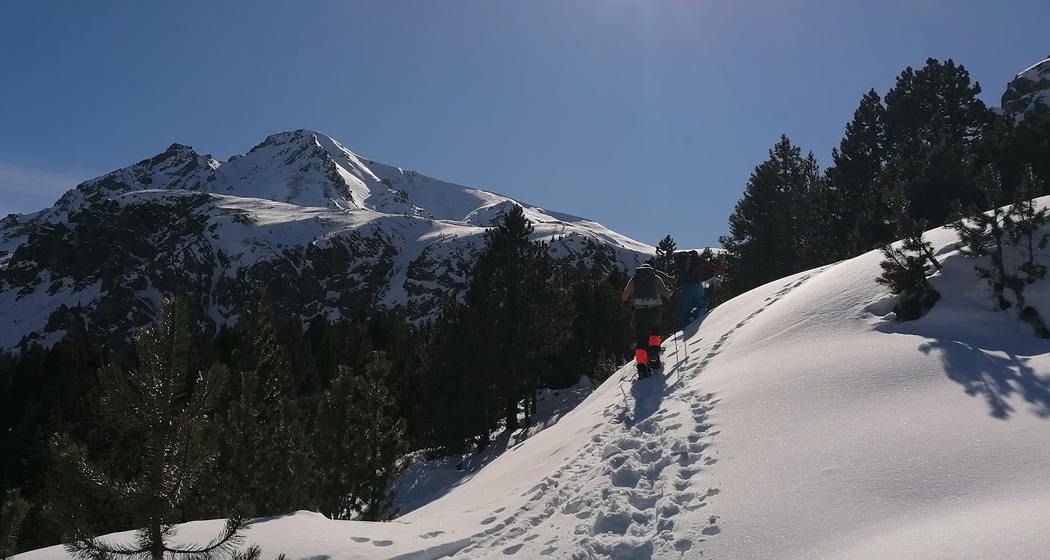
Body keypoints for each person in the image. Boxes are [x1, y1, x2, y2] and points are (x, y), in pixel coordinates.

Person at [621, 262, 674, 378]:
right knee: (655, 331)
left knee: (641, 338)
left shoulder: (634, 280)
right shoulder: (655, 278)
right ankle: (654, 355)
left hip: (640, 312)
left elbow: (624, 296)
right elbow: (667, 294)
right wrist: (672, 291)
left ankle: (641, 367)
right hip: (655, 310)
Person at [674, 250, 727, 325]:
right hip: (695, 286)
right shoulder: (697, 259)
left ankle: (685, 328)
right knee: (702, 304)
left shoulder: (682, 263)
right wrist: (725, 270)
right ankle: (695, 317)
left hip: (683, 287)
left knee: (685, 311)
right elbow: (712, 266)